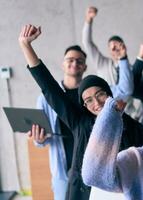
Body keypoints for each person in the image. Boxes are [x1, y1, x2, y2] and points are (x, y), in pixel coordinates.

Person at [19, 24, 143, 200]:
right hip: (82, 192)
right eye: (88, 100)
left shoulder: (130, 124)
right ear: (84, 106)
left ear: (109, 95)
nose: (96, 103)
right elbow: (48, 86)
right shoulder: (80, 122)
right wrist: (26, 45)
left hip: (120, 191)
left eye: (100, 94)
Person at [28, 45, 87, 200]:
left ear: (85, 66)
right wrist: (39, 139)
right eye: (70, 60)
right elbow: (39, 142)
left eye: (79, 61)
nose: (74, 63)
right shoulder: (46, 98)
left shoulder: (89, 96)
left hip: (89, 167)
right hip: (62, 170)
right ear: (63, 64)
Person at [82, 6, 143, 121]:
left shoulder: (131, 69)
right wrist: (88, 20)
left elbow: (138, 94)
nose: (116, 50)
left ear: (124, 47)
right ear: (108, 50)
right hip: (103, 113)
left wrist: (137, 115)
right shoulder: (102, 63)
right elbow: (87, 43)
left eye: (118, 46)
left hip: (128, 116)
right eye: (112, 47)